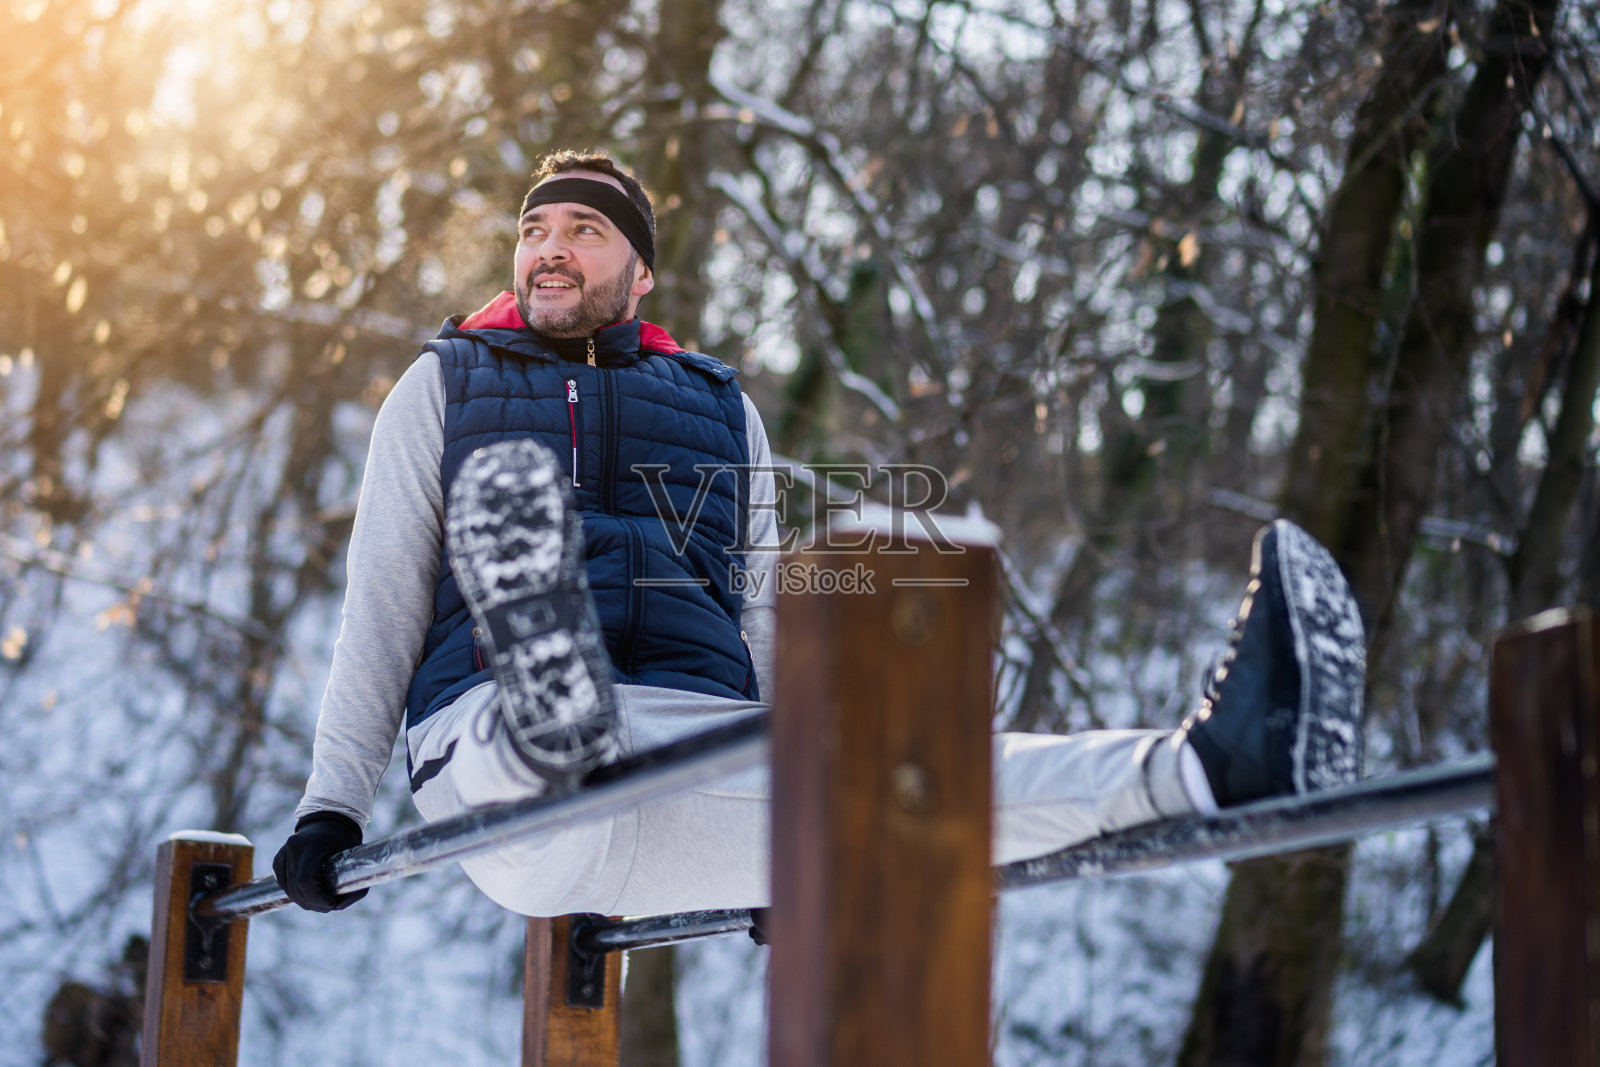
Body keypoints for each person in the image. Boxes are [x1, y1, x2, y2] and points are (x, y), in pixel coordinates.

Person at [273, 149, 1367, 921]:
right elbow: (383, 598)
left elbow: (754, 608)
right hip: (491, 765)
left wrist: (783, 799)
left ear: (640, 271)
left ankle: (1205, 766)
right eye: (534, 229)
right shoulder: (444, 384)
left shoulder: (717, 407)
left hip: (691, 747)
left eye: (583, 229)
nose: (549, 249)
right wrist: (335, 802)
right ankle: (547, 712)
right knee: (539, 756)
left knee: (901, 788)